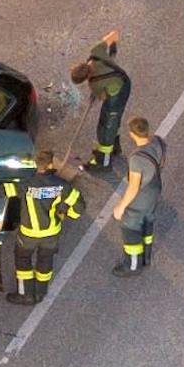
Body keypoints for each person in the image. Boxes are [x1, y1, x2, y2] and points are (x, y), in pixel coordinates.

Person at [8, 152, 82, 303]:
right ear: (50, 164)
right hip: (51, 234)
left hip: (28, 235)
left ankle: (25, 294)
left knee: (23, 261)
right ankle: (40, 292)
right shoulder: (62, 185)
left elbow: (1, 191)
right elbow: (79, 207)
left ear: (36, 164)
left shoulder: (26, 184)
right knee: (45, 260)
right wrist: (67, 215)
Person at [112, 116, 165, 277]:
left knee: (130, 228)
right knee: (147, 221)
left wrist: (120, 206)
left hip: (141, 198)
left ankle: (133, 266)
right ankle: (146, 256)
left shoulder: (137, 159)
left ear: (132, 134)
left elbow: (134, 187)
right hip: (154, 189)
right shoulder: (157, 141)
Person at [71, 31, 132, 172]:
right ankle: (115, 147)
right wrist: (113, 47)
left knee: (107, 127)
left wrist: (97, 93)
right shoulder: (96, 52)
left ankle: (104, 163)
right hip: (123, 79)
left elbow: (104, 96)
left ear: (85, 78)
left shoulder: (94, 83)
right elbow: (114, 34)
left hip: (117, 93)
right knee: (111, 120)